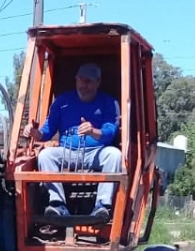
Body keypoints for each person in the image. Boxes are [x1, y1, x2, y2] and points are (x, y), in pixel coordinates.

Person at [23, 62, 122, 221]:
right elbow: (48, 130)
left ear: (98, 82)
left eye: (89, 81)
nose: (84, 85)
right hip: (68, 152)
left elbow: (110, 132)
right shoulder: (62, 101)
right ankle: (57, 204)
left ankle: (102, 206)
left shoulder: (109, 103)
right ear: (76, 80)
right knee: (46, 155)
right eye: (81, 80)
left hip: (95, 153)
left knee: (114, 155)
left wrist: (92, 131)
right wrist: (36, 133)